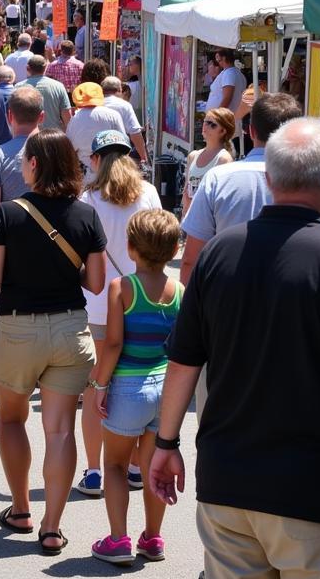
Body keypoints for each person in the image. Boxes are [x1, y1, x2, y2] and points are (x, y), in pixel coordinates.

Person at [150, 118, 320, 579]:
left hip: (228, 481)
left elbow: (184, 360)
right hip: (317, 489)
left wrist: (166, 444)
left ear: (268, 180)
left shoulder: (219, 252)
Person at [0, 130, 106, 556]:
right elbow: (96, 282)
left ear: (34, 164)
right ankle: (52, 527)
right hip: (70, 328)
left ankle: (20, 508)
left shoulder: (7, 214)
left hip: (18, 329)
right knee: (59, 431)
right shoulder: (86, 216)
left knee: (12, 420)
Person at [90, 209, 182, 566]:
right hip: (165, 391)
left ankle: (118, 540)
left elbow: (113, 344)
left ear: (130, 248)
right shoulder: (179, 292)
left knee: (113, 465)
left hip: (128, 387)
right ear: (175, 248)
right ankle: (153, 538)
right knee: (153, 468)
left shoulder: (122, 288)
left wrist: (100, 384)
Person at [76, 130, 162, 498]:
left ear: (95, 160)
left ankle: (95, 470)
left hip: (97, 302)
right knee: (140, 383)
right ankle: (133, 466)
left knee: (98, 384)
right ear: (128, 158)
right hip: (141, 299)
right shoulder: (148, 194)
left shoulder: (88, 198)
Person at [179, 93, 301, 285]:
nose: (206, 126)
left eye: (212, 124)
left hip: (224, 289)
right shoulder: (308, 184)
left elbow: (190, 259)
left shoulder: (219, 178)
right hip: (284, 294)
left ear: (251, 132)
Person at [0, 85, 44, 215]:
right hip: (52, 233)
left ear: (9, 116)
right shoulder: (58, 149)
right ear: (42, 117)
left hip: (11, 232)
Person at [180, 108, 235, 217]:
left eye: (212, 124)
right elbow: (186, 190)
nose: (205, 126)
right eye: (205, 122)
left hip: (208, 220)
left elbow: (222, 198)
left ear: (223, 131)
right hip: (190, 218)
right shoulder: (193, 156)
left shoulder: (224, 159)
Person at [65, 82, 125, 171]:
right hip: (111, 168)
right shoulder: (113, 115)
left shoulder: (75, 119)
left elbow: (69, 148)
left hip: (85, 170)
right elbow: (123, 142)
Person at [101, 77, 148, 163]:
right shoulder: (124, 106)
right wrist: (143, 157)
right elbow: (135, 133)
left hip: (99, 154)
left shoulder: (97, 104)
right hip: (118, 155)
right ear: (119, 90)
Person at [18, 55, 71, 131]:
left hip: (28, 137)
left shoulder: (18, 88)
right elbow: (67, 118)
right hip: (53, 136)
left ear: (28, 68)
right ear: (45, 68)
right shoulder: (58, 86)